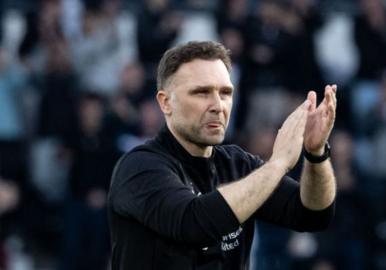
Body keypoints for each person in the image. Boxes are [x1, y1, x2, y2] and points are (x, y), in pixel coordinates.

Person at [107, 41, 337, 269]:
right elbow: (193, 224)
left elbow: (313, 214)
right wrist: (277, 164)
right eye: (201, 92)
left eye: (225, 93)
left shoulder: (238, 165)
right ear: (166, 102)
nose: (218, 105)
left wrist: (316, 155)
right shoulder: (139, 167)